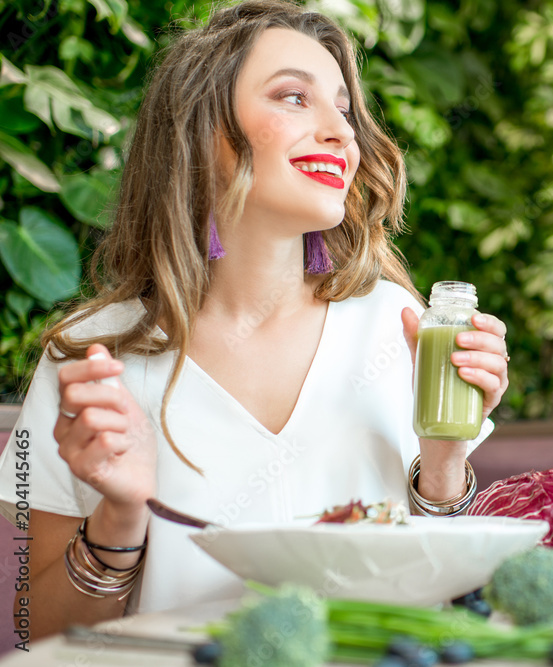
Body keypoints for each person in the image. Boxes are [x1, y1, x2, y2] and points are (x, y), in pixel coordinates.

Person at [0, 0, 509, 639]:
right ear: (201, 130)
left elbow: (454, 607)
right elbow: (31, 633)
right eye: (294, 98)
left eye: (345, 110)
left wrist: (442, 463)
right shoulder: (87, 358)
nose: (341, 132)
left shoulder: (400, 329)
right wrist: (120, 518)